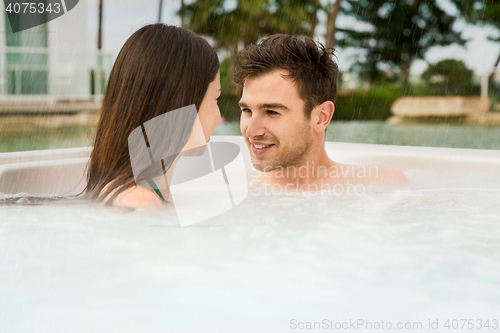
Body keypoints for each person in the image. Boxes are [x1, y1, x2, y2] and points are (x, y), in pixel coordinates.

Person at [234, 34, 408, 193]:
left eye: (271, 112)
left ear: (321, 117)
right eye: (247, 110)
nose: (251, 132)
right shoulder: (243, 199)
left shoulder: (382, 185)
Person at [83, 24, 221, 209]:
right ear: (182, 103)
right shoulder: (139, 200)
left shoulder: (136, 191)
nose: (219, 115)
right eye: (216, 98)